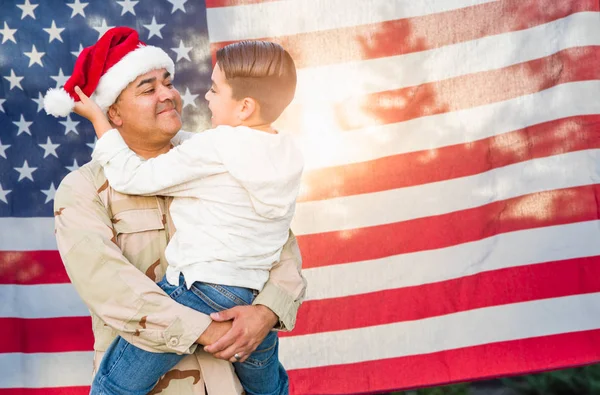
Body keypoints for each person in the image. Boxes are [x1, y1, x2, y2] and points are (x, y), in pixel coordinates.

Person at [46, 27, 306, 395]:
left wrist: (264, 314)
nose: (169, 94)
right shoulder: (84, 190)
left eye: (168, 82)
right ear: (114, 113)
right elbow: (109, 287)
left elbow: (279, 245)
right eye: (148, 89)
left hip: (229, 384)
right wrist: (212, 330)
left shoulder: (223, 154)